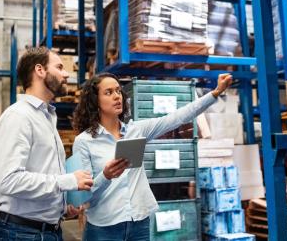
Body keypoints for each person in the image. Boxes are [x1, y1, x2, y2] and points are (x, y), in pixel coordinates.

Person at [72, 72, 233, 241]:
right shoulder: (84, 142)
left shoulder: (136, 130)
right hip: (103, 229)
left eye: (118, 91)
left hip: (139, 223)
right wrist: (106, 176)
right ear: (94, 101)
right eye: (108, 92)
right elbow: (81, 196)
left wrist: (215, 93)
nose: (116, 96)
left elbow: (177, 117)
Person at [0, 47, 96, 241]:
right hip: (21, 233)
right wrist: (69, 181)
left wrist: (62, 207)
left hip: (47, 230)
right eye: (60, 67)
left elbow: (43, 171)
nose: (66, 74)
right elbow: (8, 181)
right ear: (40, 70)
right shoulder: (19, 117)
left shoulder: (45, 116)